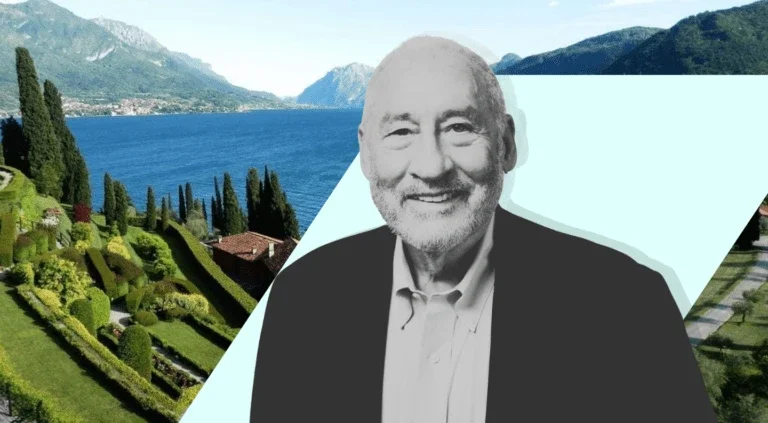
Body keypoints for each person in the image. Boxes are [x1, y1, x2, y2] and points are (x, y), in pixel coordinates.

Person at [250, 36, 716, 423]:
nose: (431, 166)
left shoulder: (627, 305)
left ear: (507, 145)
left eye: (459, 127)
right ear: (366, 154)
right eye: (400, 133)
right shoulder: (300, 298)